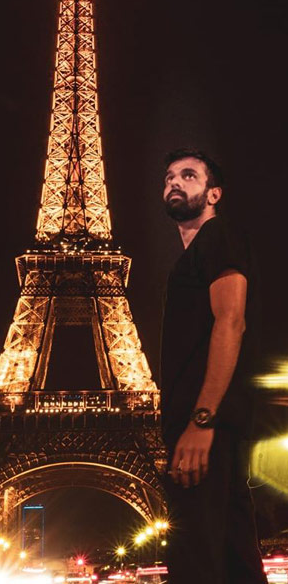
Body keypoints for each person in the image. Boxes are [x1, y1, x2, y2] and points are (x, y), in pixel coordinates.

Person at [160, 147, 267, 584]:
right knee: (233, 559)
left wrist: (201, 420)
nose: (174, 182)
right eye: (169, 177)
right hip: (211, 428)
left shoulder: (218, 236)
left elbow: (231, 321)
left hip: (205, 427)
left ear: (214, 193)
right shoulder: (194, 255)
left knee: (196, 561)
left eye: (188, 175)